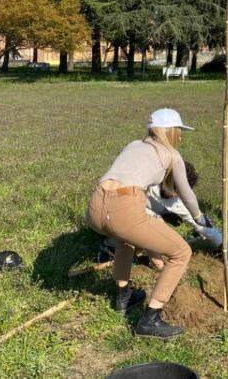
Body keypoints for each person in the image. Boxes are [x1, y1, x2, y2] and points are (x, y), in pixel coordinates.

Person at [85, 108, 213, 340]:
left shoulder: (133, 144)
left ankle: (124, 297)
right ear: (170, 131)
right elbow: (187, 195)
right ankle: (150, 320)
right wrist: (200, 219)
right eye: (179, 131)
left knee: (126, 242)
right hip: (124, 207)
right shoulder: (172, 155)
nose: (181, 136)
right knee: (182, 252)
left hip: (95, 206)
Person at [98, 161, 222, 265]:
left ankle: (136, 248)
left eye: (178, 191)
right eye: (173, 187)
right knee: (151, 222)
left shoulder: (180, 203)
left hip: (138, 226)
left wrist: (221, 245)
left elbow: (201, 225)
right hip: (114, 215)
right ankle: (110, 247)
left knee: (156, 226)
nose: (174, 193)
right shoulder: (148, 180)